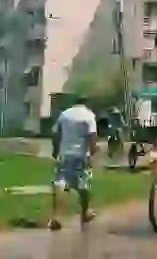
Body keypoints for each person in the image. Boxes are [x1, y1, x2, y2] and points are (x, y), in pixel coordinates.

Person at [49, 96, 99, 230]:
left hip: (64, 154)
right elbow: (92, 136)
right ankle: (85, 213)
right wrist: (93, 151)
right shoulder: (89, 116)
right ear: (86, 103)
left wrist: (55, 150)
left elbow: (56, 133)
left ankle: (56, 217)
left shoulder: (64, 114)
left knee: (59, 184)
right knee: (84, 185)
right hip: (81, 156)